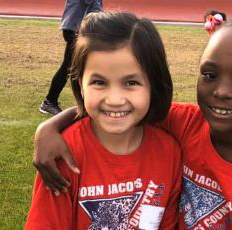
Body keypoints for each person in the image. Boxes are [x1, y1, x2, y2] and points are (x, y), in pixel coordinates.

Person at [32, 12, 232, 229]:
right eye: (210, 75)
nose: (222, 91)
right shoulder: (185, 124)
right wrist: (52, 126)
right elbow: (122, 109)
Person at [26, 12, 182, 229]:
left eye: (131, 83)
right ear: (80, 84)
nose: (115, 100)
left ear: (154, 84)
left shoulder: (169, 152)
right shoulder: (62, 154)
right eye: (99, 82)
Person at [39, 0, 102, 115]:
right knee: (71, 67)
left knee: (75, 67)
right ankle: (51, 102)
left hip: (77, 28)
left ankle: (81, 103)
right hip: (77, 30)